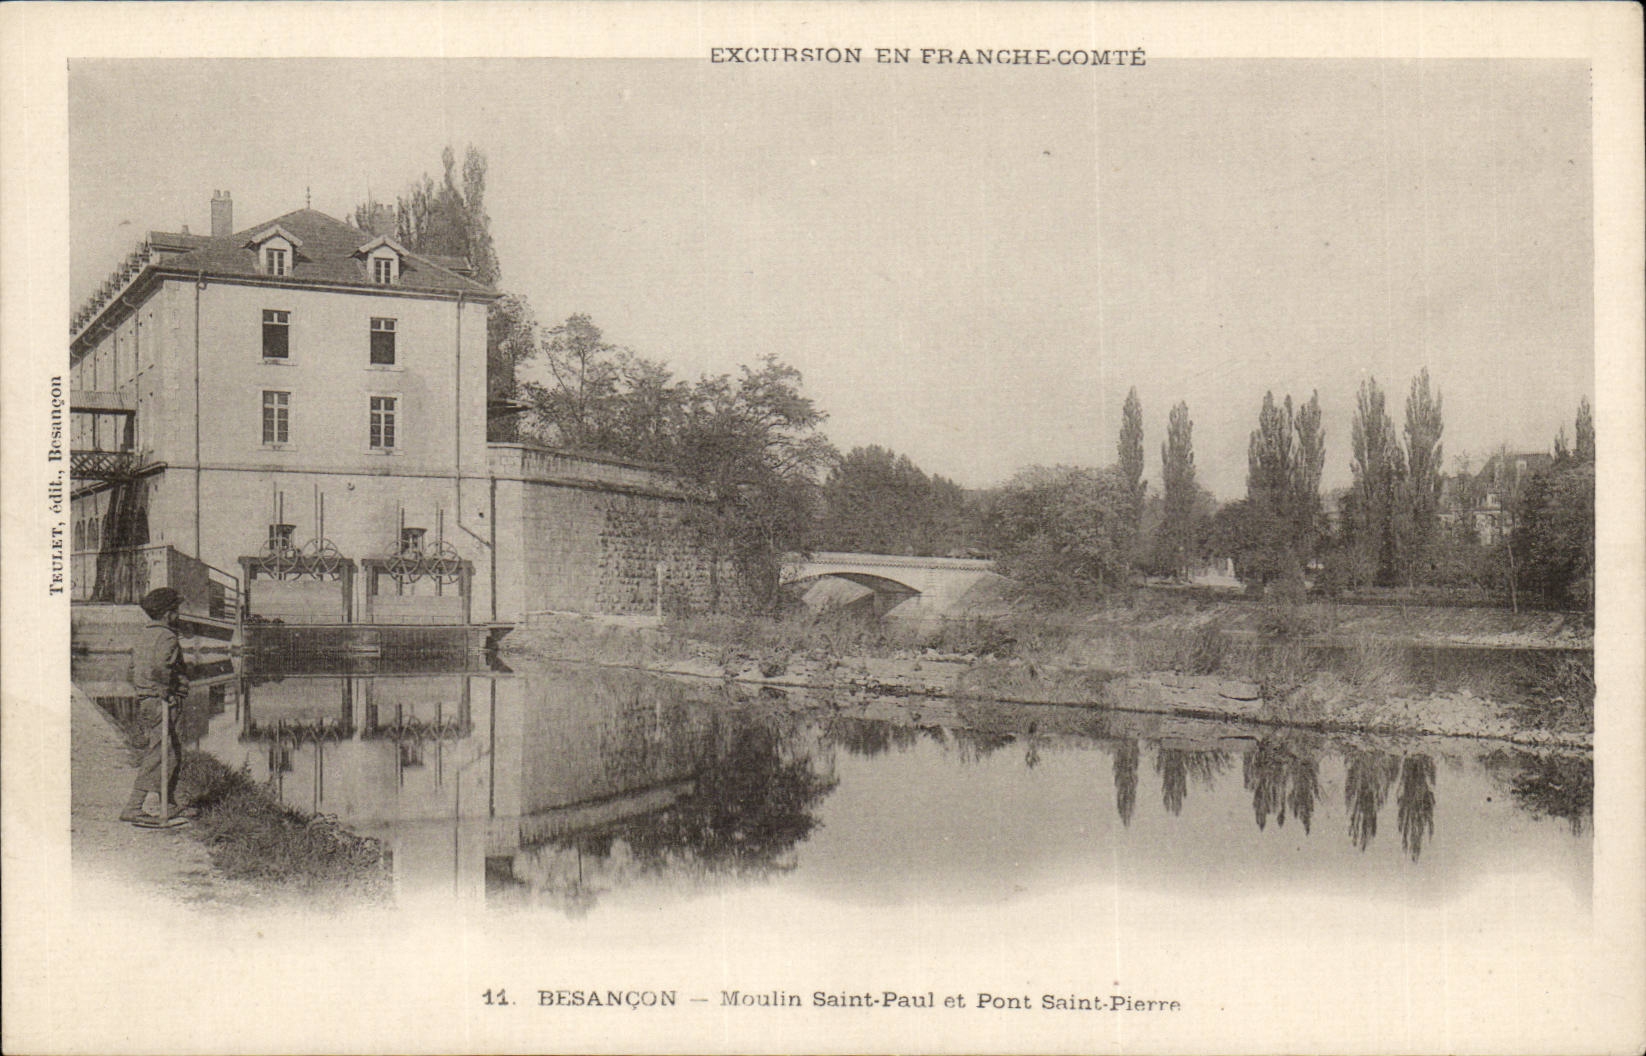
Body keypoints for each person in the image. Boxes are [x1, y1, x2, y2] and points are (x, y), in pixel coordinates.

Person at [118, 587, 197, 825]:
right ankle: (133, 807)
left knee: (171, 752)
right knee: (159, 753)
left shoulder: (145, 634)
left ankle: (168, 804)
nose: (178, 615)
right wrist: (164, 690)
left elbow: (133, 669)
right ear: (168, 614)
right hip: (161, 701)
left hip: (148, 700)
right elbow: (160, 667)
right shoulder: (167, 637)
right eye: (176, 611)